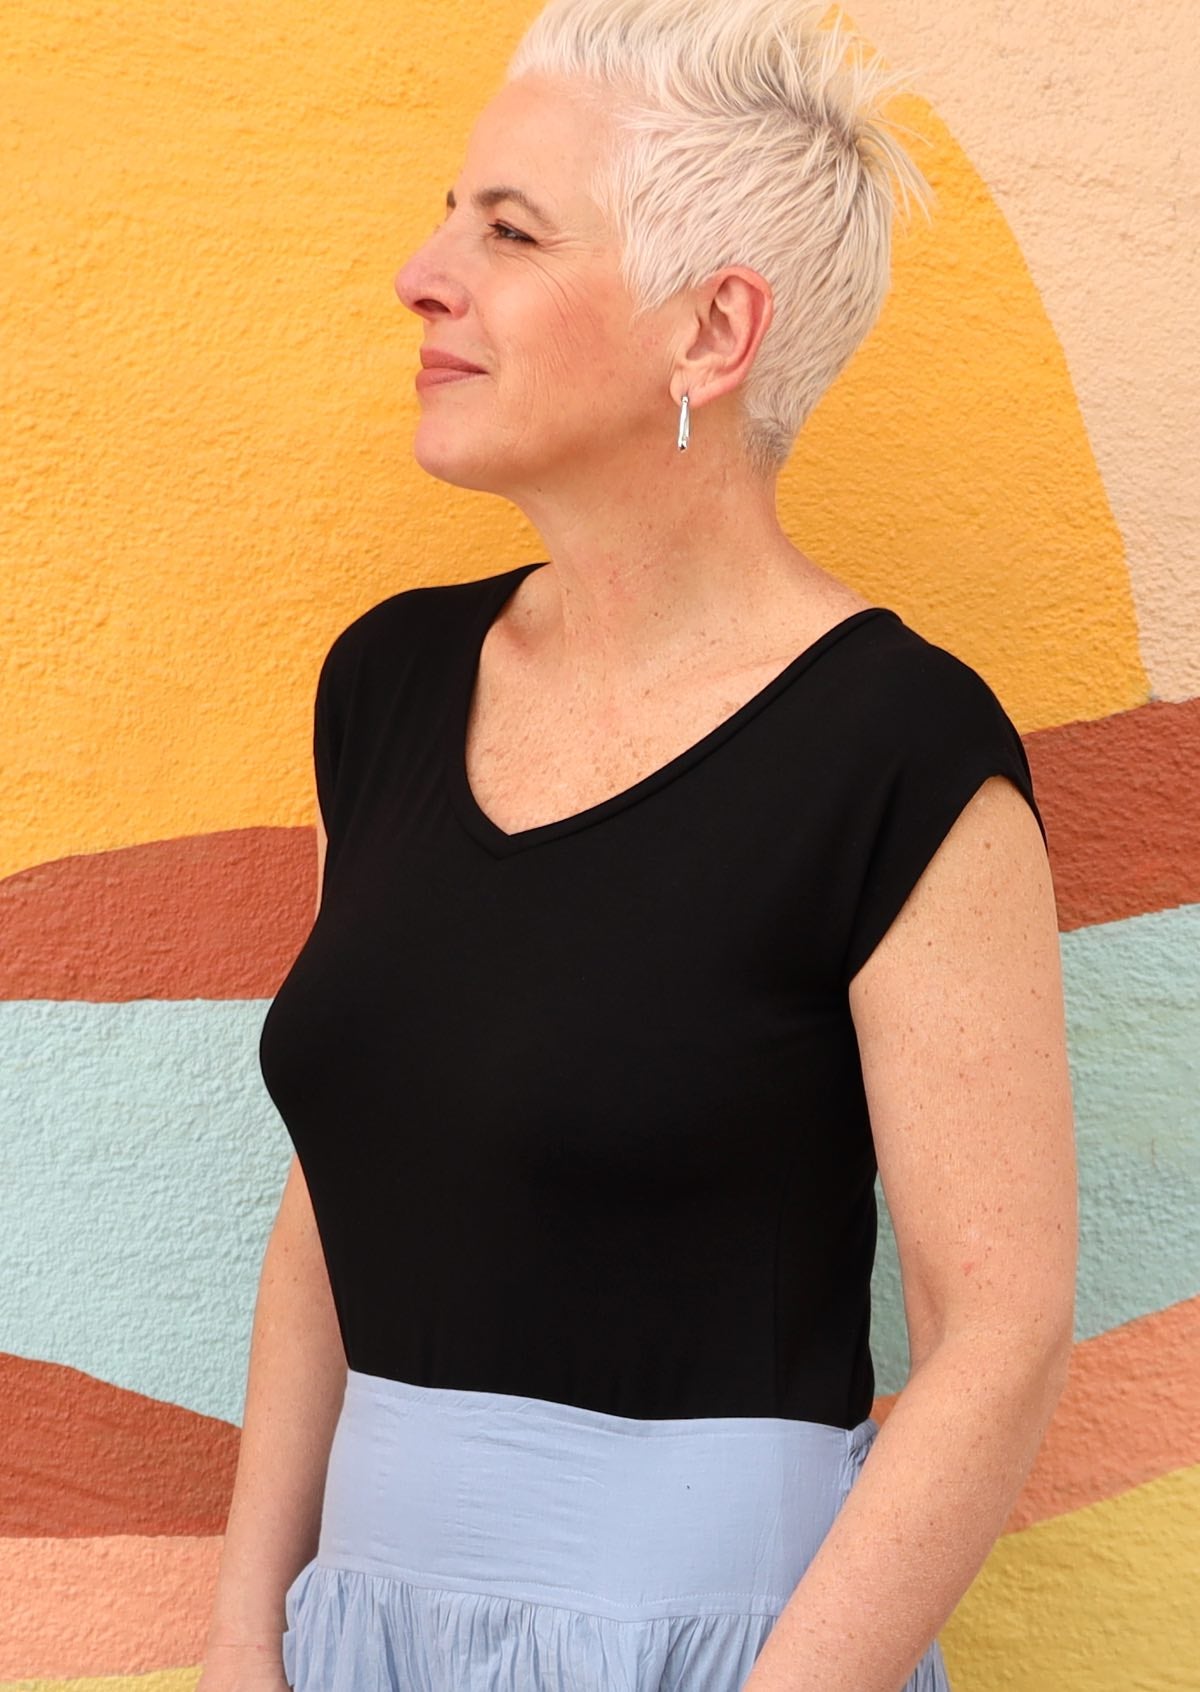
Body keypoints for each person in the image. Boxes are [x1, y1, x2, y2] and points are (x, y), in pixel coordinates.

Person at [199, 1, 1078, 1688]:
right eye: (454, 214)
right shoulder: (385, 684)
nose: (421, 272)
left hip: (716, 1655)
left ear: (713, 331)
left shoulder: (902, 754)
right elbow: (347, 1177)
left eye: (509, 230)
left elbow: (1003, 1337)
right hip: (360, 1638)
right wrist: (249, 1634)